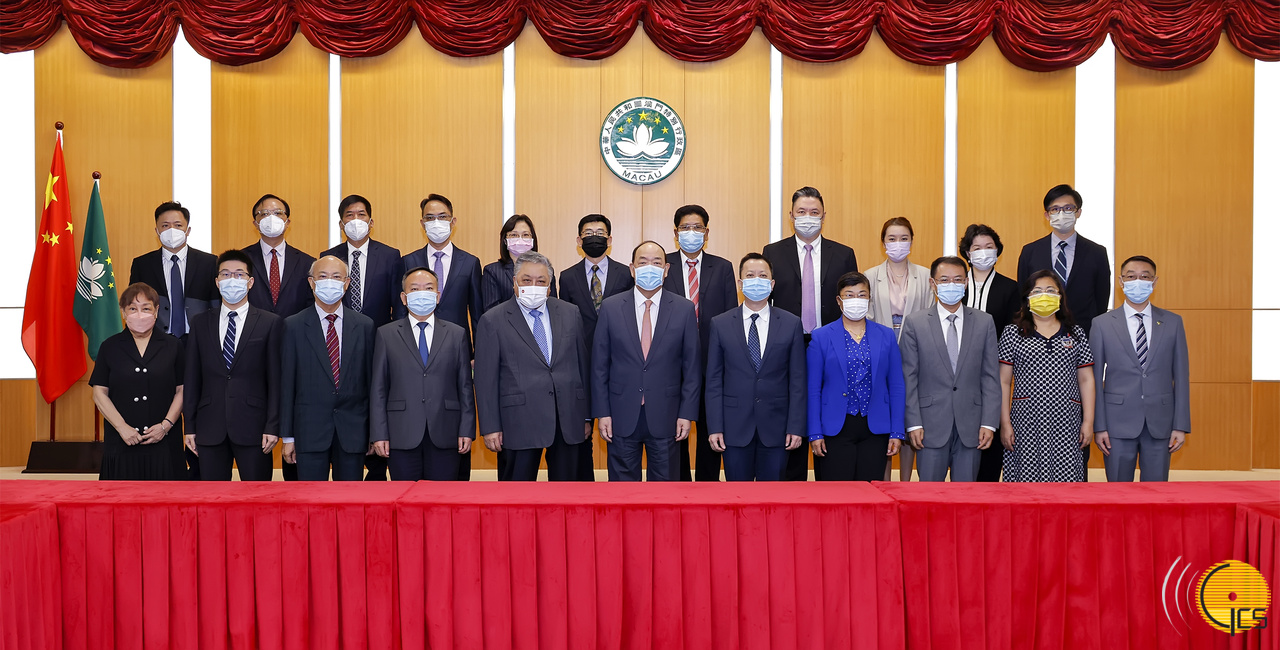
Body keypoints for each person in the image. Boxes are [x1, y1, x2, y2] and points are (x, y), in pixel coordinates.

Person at [762, 186, 858, 480]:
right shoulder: (773, 252)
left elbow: (852, 301)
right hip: (787, 343)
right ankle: (792, 483)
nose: (808, 217)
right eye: (801, 212)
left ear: (824, 216)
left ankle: (829, 477)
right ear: (791, 216)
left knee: (827, 404)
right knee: (792, 407)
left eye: (814, 212)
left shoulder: (843, 254)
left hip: (829, 344)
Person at [474, 252, 591, 481]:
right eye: (526, 280)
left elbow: (582, 366)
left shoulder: (570, 313)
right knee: (517, 495)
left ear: (549, 286)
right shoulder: (492, 320)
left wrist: (586, 417)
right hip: (518, 422)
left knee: (568, 494)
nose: (533, 286)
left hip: (567, 420)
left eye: (541, 281)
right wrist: (490, 427)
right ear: (514, 283)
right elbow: (485, 380)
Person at [592, 241, 700, 481]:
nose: (649, 267)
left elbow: (692, 369)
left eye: (656, 262)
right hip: (620, 414)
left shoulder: (683, 309)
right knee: (622, 492)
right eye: (643, 262)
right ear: (632, 269)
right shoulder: (610, 307)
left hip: (667, 415)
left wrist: (687, 414)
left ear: (666, 269)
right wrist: (602, 413)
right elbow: (599, 367)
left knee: (665, 492)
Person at [128, 200, 218, 479]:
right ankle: (168, 469)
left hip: (198, 345)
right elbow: (135, 307)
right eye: (165, 225)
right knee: (164, 405)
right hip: (159, 347)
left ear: (188, 229)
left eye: (177, 225)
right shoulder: (142, 264)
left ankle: (199, 471)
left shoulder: (209, 262)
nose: (171, 230)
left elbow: (216, 308)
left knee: (199, 407)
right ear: (156, 230)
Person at [399, 194, 483, 480]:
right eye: (430, 218)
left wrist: (476, 355)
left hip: (457, 356)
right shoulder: (408, 260)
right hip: (417, 353)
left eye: (443, 217)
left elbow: (477, 314)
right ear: (422, 223)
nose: (437, 223)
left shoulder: (470, 262)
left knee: (457, 414)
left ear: (453, 221)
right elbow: (399, 314)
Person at [321, 194, 403, 481]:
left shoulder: (390, 255)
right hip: (339, 344)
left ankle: (376, 468)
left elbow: (398, 305)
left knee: (376, 397)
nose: (356, 220)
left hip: (378, 342)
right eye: (349, 215)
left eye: (361, 215)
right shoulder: (328, 257)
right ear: (341, 223)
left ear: (371, 221)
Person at [183, 250, 284, 481]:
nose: (232, 279)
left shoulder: (270, 323)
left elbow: (276, 380)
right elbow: (192, 378)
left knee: (256, 497)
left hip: (255, 428)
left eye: (239, 274)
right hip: (209, 427)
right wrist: (190, 426)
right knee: (213, 498)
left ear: (250, 282)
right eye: (226, 274)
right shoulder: (200, 322)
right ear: (217, 281)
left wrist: (272, 426)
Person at [704, 253, 806, 481]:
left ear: (772, 284)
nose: (756, 280)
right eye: (750, 276)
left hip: (777, 429)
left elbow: (798, 381)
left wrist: (796, 427)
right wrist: (715, 427)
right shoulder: (720, 324)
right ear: (740, 283)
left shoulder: (791, 324)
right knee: (738, 496)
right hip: (733, 428)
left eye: (763, 276)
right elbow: (714, 381)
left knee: (772, 497)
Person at [899, 257, 1001, 482]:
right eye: (944, 280)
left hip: (972, 426)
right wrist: (913, 423)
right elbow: (908, 377)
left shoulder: (984, 322)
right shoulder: (915, 323)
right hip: (929, 426)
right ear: (933, 284)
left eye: (957, 280)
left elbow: (990, 377)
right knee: (930, 497)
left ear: (966, 283)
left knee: (966, 497)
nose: (951, 285)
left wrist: (989, 423)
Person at [1090, 256, 1190, 482]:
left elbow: (1182, 376)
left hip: (1160, 423)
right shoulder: (1102, 323)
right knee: (1119, 492)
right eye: (1131, 276)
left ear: (1154, 282)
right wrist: (1099, 426)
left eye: (1145, 277)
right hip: (1116, 424)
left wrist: (1180, 425)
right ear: (1121, 281)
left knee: (1156, 493)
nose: (1138, 281)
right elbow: (1094, 378)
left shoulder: (1173, 322)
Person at [370, 268, 475, 481]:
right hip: (401, 434)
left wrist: (466, 429)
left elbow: (464, 386)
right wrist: (379, 434)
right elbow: (379, 388)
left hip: (446, 432)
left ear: (437, 296)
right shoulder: (386, 334)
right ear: (404, 297)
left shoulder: (457, 334)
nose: (422, 294)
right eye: (415, 289)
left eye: (428, 289)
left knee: (442, 498)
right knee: (405, 498)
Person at [279, 256, 376, 481]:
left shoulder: (365, 325)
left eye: (336, 277)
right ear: (311, 282)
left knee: (350, 499)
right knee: (311, 500)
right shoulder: (293, 326)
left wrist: (373, 433)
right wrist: (288, 437)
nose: (329, 282)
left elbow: (371, 383)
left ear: (347, 283)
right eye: (322, 276)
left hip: (353, 432)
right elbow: (287, 384)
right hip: (308, 432)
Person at [662, 204, 738, 482]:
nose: (691, 232)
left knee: (710, 427)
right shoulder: (663, 265)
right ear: (675, 233)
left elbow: (731, 317)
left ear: (706, 233)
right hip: (671, 362)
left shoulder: (723, 267)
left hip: (711, 361)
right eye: (685, 227)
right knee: (674, 429)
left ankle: (708, 485)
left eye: (697, 228)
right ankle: (679, 484)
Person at [998, 270, 1096, 482]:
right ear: (1027, 298)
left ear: (1060, 296)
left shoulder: (1076, 333)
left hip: (1067, 419)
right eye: (1037, 291)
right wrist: (1005, 423)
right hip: (1025, 420)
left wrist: (1088, 422)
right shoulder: (1012, 333)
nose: (1044, 296)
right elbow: (1003, 381)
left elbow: (1086, 379)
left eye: (1051, 290)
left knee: (1066, 480)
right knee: (1026, 480)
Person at [806, 272, 904, 481]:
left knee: (869, 491)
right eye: (849, 295)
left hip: (875, 428)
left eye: (862, 295)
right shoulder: (821, 336)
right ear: (839, 300)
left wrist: (897, 431)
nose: (856, 300)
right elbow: (813, 389)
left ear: (869, 299)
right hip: (835, 427)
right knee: (837, 493)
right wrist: (815, 432)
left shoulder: (886, 335)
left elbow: (896, 386)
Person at [557, 214, 634, 480]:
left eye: (600, 233)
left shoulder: (626, 274)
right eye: (588, 233)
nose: (594, 238)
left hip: (620, 363)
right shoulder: (567, 277)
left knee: (620, 430)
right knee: (582, 432)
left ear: (609, 240)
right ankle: (584, 489)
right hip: (582, 364)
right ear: (579, 240)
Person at [89, 283, 186, 480]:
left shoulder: (173, 345)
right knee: (121, 497)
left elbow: (182, 390)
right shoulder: (110, 346)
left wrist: (165, 426)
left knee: (167, 497)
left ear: (156, 311)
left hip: (164, 443)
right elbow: (99, 393)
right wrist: (122, 427)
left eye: (146, 308)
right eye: (133, 308)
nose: (139, 314)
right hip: (122, 442)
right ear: (123, 312)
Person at [863, 216, 932, 480]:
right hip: (880, 353)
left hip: (917, 352)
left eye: (904, 238)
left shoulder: (925, 275)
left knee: (910, 413)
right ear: (883, 243)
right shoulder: (870, 276)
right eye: (892, 239)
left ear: (912, 241)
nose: (898, 243)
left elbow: (929, 315)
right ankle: (882, 481)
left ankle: (905, 480)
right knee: (885, 415)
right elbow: (865, 317)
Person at [958, 223, 1021, 481]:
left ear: (997, 251)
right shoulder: (956, 285)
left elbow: (1013, 331)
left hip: (994, 371)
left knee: (989, 439)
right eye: (977, 247)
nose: (983, 252)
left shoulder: (1011, 288)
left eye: (989, 247)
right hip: (958, 372)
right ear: (967, 253)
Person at [1016, 184, 1110, 337]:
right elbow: (1023, 295)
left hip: (1083, 333)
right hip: (1038, 334)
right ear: (1047, 215)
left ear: (1078, 212)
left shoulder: (1097, 253)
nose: (1061, 213)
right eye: (1055, 209)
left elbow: (1101, 300)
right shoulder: (1030, 251)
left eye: (1068, 208)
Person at [241, 194, 317, 319]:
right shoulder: (241, 260)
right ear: (256, 223)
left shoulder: (307, 262)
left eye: (278, 213)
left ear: (287, 222)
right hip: (253, 328)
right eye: (264, 214)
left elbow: (311, 305)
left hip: (293, 329)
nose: (271, 218)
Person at [480, 214, 558, 314]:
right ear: (505, 241)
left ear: (532, 239)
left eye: (525, 235)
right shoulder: (492, 271)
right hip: (507, 323)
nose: (520, 239)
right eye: (514, 235)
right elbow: (492, 312)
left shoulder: (545, 270)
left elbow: (553, 306)